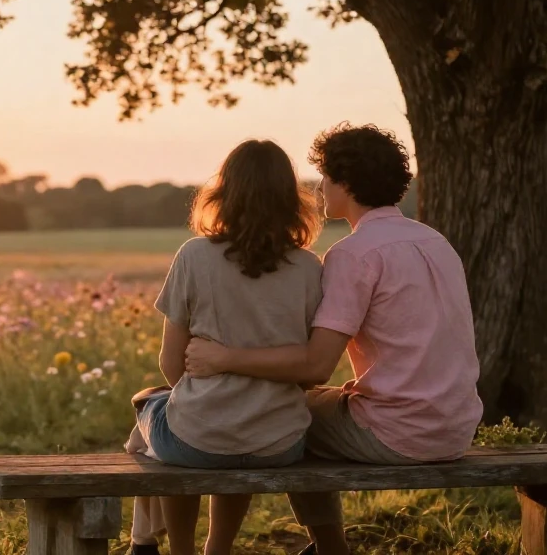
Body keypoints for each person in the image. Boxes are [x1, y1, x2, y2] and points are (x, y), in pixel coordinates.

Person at [185, 124, 483, 555]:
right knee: (305, 408)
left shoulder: (352, 254)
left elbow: (314, 367)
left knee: (280, 413)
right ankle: (328, 546)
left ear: (345, 181)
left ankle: (309, 547)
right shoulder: (435, 241)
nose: (320, 186)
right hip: (456, 426)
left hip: (398, 433)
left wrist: (224, 357)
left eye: (325, 176)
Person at [125, 139, 325, 555]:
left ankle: (165, 545)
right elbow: (309, 367)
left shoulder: (195, 255)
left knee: (151, 409)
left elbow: (171, 363)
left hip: (198, 439)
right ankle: (217, 548)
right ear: (290, 197)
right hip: (279, 443)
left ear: (224, 192)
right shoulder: (308, 266)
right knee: (228, 430)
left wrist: (210, 389)